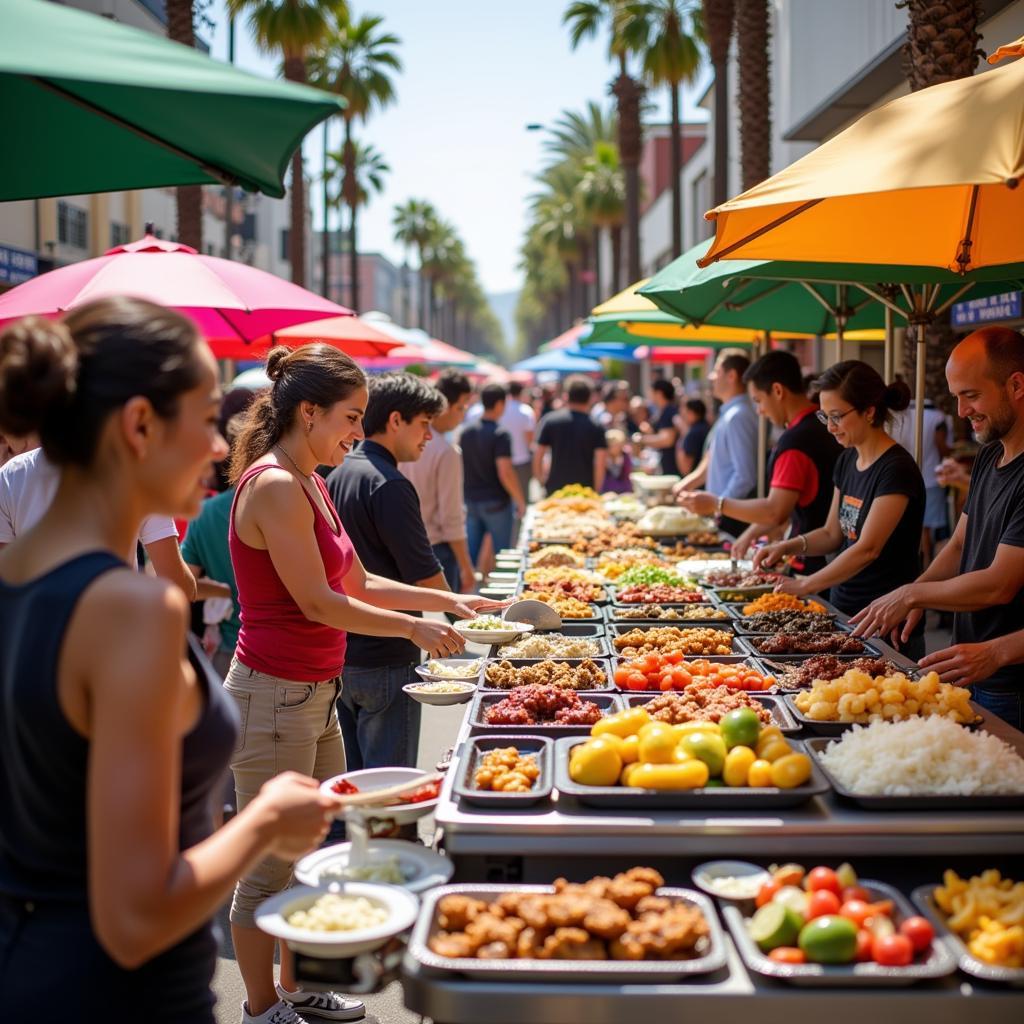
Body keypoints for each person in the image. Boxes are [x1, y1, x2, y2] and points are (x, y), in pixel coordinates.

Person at [0, 299, 344, 1023]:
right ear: (139, 425)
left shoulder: (23, 580)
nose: (220, 447)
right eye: (205, 417)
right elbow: (135, 915)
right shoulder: (131, 611)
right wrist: (264, 821)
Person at [228, 355, 501, 1023]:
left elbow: (356, 584)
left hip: (312, 692)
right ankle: (261, 1010)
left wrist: (451, 602)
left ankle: (296, 988)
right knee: (267, 868)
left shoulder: (310, 481)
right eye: (351, 418)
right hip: (273, 695)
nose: (358, 430)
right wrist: (414, 629)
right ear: (308, 412)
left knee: (308, 852)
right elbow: (320, 603)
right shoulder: (274, 486)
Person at [327, 372, 503, 775]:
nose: (429, 436)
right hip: (387, 657)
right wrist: (470, 623)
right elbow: (424, 573)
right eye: (423, 425)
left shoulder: (339, 473)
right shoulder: (389, 483)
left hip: (342, 652)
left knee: (353, 784)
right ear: (395, 421)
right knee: (390, 787)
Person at [854, 327, 1024, 730]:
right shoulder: (989, 456)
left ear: (1016, 384)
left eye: (972, 395)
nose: (961, 412)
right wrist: (919, 598)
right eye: (956, 397)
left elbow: (1000, 583)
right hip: (971, 666)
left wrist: (912, 593)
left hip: (1012, 680)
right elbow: (960, 542)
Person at [753, 361, 926, 659]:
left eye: (837, 417)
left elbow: (867, 548)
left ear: (869, 411)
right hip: (844, 608)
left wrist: (806, 584)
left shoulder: (896, 470)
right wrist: (787, 546)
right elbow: (832, 533)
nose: (830, 427)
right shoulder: (847, 461)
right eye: (825, 416)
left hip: (884, 618)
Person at [0, 441, 224, 603]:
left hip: (36, 649)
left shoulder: (10, 476)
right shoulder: (139, 471)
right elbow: (177, 586)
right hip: (115, 645)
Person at [678, 351, 840, 568]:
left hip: (814, 562)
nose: (759, 411)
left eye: (759, 400)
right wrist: (751, 532)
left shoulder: (796, 441)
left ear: (777, 391)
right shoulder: (818, 427)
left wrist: (717, 504)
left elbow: (775, 511)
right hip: (823, 555)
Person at [401, 368, 476, 592]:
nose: (462, 414)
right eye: (461, 407)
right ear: (445, 406)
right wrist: (467, 567)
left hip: (408, 545)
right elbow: (451, 518)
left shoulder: (404, 442)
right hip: (438, 550)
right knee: (455, 619)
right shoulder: (446, 451)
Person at [675, 350, 758, 537]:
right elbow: (712, 460)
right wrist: (688, 484)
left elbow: (745, 476)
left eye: (716, 371)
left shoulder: (739, 416)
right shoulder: (731, 413)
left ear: (731, 376)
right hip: (725, 512)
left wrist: (718, 507)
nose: (711, 377)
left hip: (732, 518)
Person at [460, 382, 527, 566]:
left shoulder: (466, 431)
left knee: (471, 555)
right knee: (503, 556)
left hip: (471, 500)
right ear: (499, 404)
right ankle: (499, 596)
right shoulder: (500, 433)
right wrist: (520, 500)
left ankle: (468, 591)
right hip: (496, 502)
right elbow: (505, 471)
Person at [888, 396, 953, 564]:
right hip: (930, 477)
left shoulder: (901, 415)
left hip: (906, 476)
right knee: (926, 527)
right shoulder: (938, 417)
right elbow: (942, 447)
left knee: (917, 525)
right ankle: (927, 563)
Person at [533, 375, 607, 493]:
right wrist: (596, 491)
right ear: (590, 397)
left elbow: (538, 454)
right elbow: (600, 463)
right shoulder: (596, 426)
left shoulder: (550, 420)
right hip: (585, 490)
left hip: (555, 489)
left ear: (566, 396)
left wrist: (541, 481)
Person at [500, 379, 536, 505]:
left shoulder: (501, 410)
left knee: (505, 498)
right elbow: (530, 440)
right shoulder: (526, 411)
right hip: (522, 460)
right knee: (522, 497)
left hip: (501, 461)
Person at [635, 379, 679, 475]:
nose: (649, 396)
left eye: (651, 392)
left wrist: (641, 439)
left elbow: (667, 440)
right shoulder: (666, 410)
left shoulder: (669, 411)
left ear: (659, 393)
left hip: (672, 468)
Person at [676, 398, 711, 476]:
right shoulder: (706, 427)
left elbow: (685, 469)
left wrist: (683, 435)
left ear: (691, 413)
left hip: (696, 484)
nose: (682, 416)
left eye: (684, 413)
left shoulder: (694, 433)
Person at [601, 428, 635, 493]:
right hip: (606, 492)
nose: (616, 447)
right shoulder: (603, 458)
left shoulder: (625, 457)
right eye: (612, 445)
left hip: (624, 493)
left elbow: (626, 479)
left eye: (617, 445)